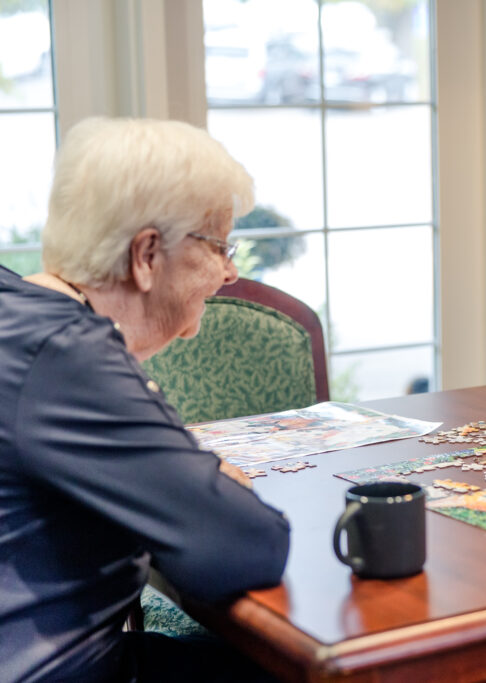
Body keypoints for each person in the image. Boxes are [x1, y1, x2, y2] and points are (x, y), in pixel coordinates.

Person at [0, 117, 291, 682]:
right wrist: (204, 480)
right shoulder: (67, 355)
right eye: (219, 246)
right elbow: (246, 545)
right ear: (146, 255)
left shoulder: (17, 310)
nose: (231, 273)